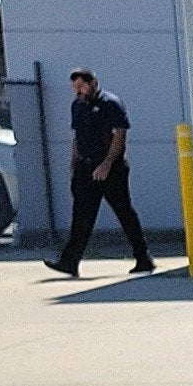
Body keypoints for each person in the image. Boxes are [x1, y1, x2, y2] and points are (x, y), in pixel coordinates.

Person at [53, 69, 155, 277]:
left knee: (124, 212)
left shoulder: (110, 103)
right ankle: (69, 262)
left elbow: (119, 136)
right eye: (75, 88)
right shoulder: (78, 106)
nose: (78, 92)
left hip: (111, 169)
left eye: (81, 87)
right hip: (86, 168)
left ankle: (144, 259)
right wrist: (74, 163)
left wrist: (107, 163)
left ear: (93, 83)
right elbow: (77, 137)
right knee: (81, 216)